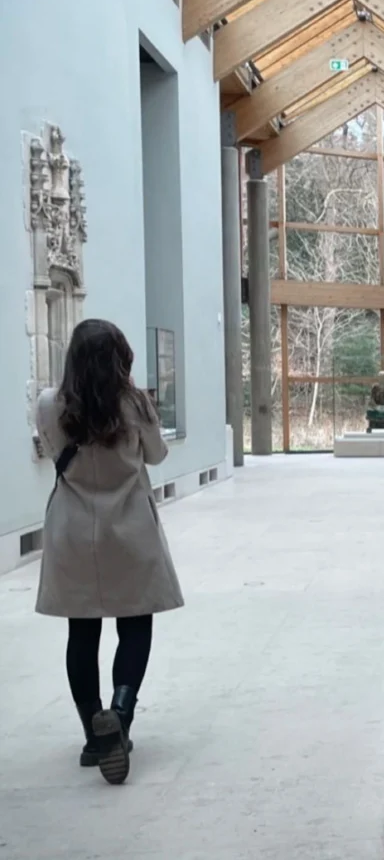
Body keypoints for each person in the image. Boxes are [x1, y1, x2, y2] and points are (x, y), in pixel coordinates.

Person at [35, 318, 184, 786]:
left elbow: (49, 446)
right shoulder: (135, 404)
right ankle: (119, 715)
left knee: (82, 634)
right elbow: (157, 456)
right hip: (130, 530)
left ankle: (92, 735)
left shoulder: (48, 404)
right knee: (135, 625)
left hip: (73, 532)